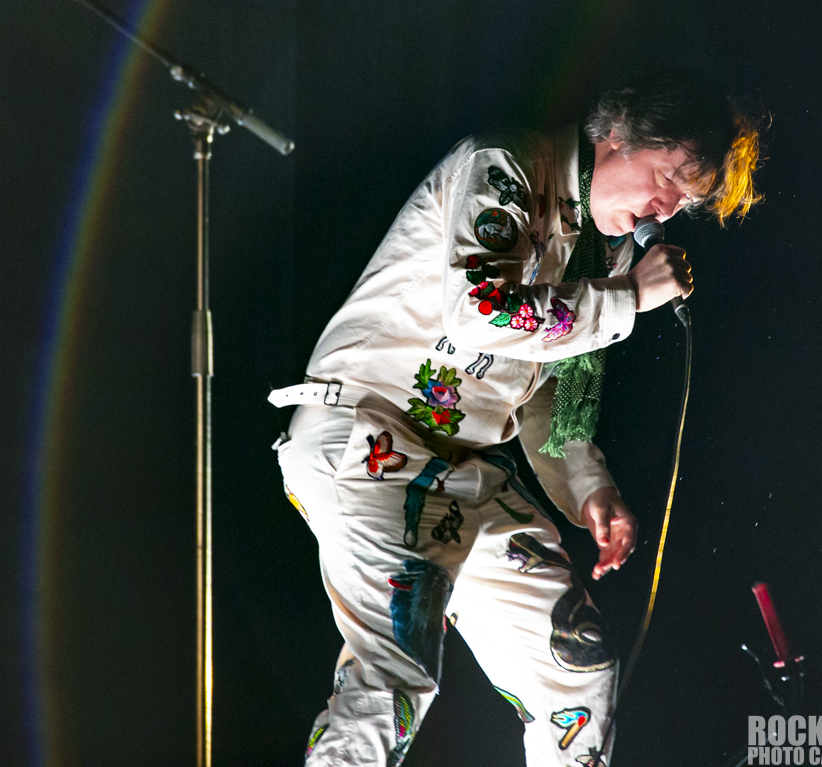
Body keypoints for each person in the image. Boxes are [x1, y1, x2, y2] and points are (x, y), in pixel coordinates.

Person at [269, 69, 761, 767]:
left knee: (577, 663)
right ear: (619, 133)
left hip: (463, 469)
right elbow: (481, 312)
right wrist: (625, 299)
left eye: (684, 199)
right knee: (396, 674)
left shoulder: (608, 251)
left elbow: (547, 391)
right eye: (667, 177)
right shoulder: (504, 169)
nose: (667, 207)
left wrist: (589, 486)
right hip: (369, 436)